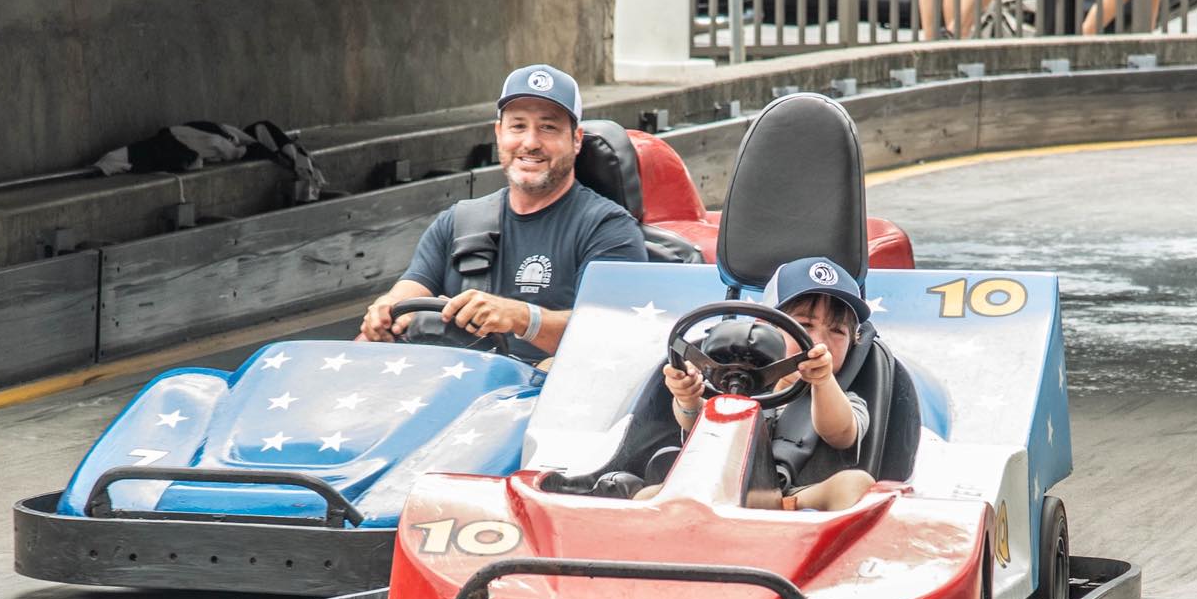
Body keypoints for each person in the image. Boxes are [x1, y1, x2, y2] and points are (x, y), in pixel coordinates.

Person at [359, 64, 647, 363]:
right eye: (518, 126)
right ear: (499, 134)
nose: (531, 142)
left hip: (547, 395)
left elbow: (614, 334)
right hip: (452, 388)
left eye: (548, 127)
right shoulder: (457, 222)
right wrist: (386, 308)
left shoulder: (608, 229)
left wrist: (521, 318)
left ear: (576, 139)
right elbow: (410, 290)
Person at [653, 256, 877, 511]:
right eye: (804, 325)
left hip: (799, 498)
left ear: (853, 342)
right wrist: (688, 398)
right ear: (768, 329)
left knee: (856, 484)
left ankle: (776, 506)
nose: (819, 342)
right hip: (718, 491)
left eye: (837, 331)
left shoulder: (846, 400)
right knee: (647, 495)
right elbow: (697, 423)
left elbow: (840, 433)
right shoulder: (734, 380)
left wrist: (823, 381)